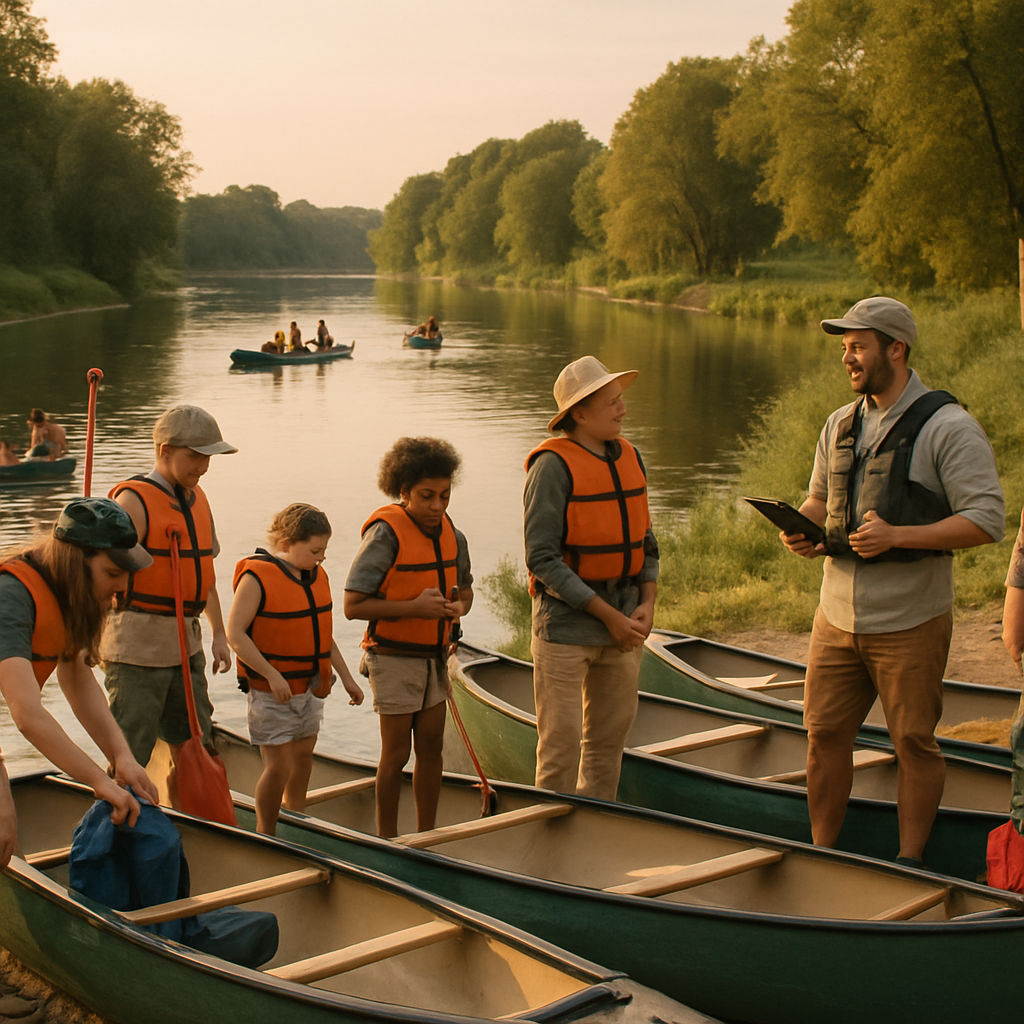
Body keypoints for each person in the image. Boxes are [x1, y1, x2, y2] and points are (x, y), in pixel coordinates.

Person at [779, 296, 1004, 866]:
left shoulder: (949, 427)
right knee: (823, 737)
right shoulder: (839, 423)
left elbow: (986, 520)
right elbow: (819, 499)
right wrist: (801, 528)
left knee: (913, 743)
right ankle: (823, 853)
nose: (847, 358)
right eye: (845, 348)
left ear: (896, 349)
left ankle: (909, 861)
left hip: (911, 619)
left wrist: (898, 535)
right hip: (835, 616)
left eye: (858, 347)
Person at [524, 356, 658, 801]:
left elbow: (646, 540)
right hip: (566, 630)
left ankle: (594, 826)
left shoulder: (630, 456)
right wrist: (609, 617)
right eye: (612, 402)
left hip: (625, 625)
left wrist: (647, 603)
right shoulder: (551, 467)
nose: (623, 408)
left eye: (620, 399)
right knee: (560, 749)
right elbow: (542, 558)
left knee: (607, 747)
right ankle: (549, 832)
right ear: (579, 414)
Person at [0, 498, 162, 867]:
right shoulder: (10, 598)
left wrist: (121, 757)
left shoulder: (65, 595)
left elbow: (76, 678)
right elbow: (27, 714)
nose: (122, 586)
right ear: (76, 562)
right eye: (112, 572)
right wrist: (98, 782)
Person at [100, 405, 238, 798]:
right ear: (165, 450)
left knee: (197, 740)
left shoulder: (198, 499)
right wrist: (86, 636)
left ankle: (191, 818)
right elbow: (100, 576)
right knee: (131, 747)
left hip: (187, 646)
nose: (203, 466)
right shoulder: (134, 502)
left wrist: (219, 635)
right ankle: (117, 821)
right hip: (137, 649)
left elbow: (203, 577)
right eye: (195, 456)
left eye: (208, 457)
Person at [344, 438, 473, 838]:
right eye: (426, 496)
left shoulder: (453, 534)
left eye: (445, 495)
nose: (437, 505)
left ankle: (425, 836)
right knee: (397, 752)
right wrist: (414, 607)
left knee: (432, 748)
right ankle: (387, 838)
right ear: (403, 491)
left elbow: (466, 591)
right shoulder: (385, 534)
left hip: (435, 656)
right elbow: (352, 605)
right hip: (393, 657)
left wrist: (459, 607)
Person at [227, 503, 364, 834]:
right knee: (278, 766)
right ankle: (266, 831)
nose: (322, 558)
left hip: (309, 689)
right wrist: (272, 675)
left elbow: (322, 635)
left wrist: (348, 679)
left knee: (303, 756)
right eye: (315, 551)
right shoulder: (256, 578)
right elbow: (235, 634)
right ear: (286, 543)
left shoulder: (315, 577)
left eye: (324, 550)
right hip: (271, 692)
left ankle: (296, 819)